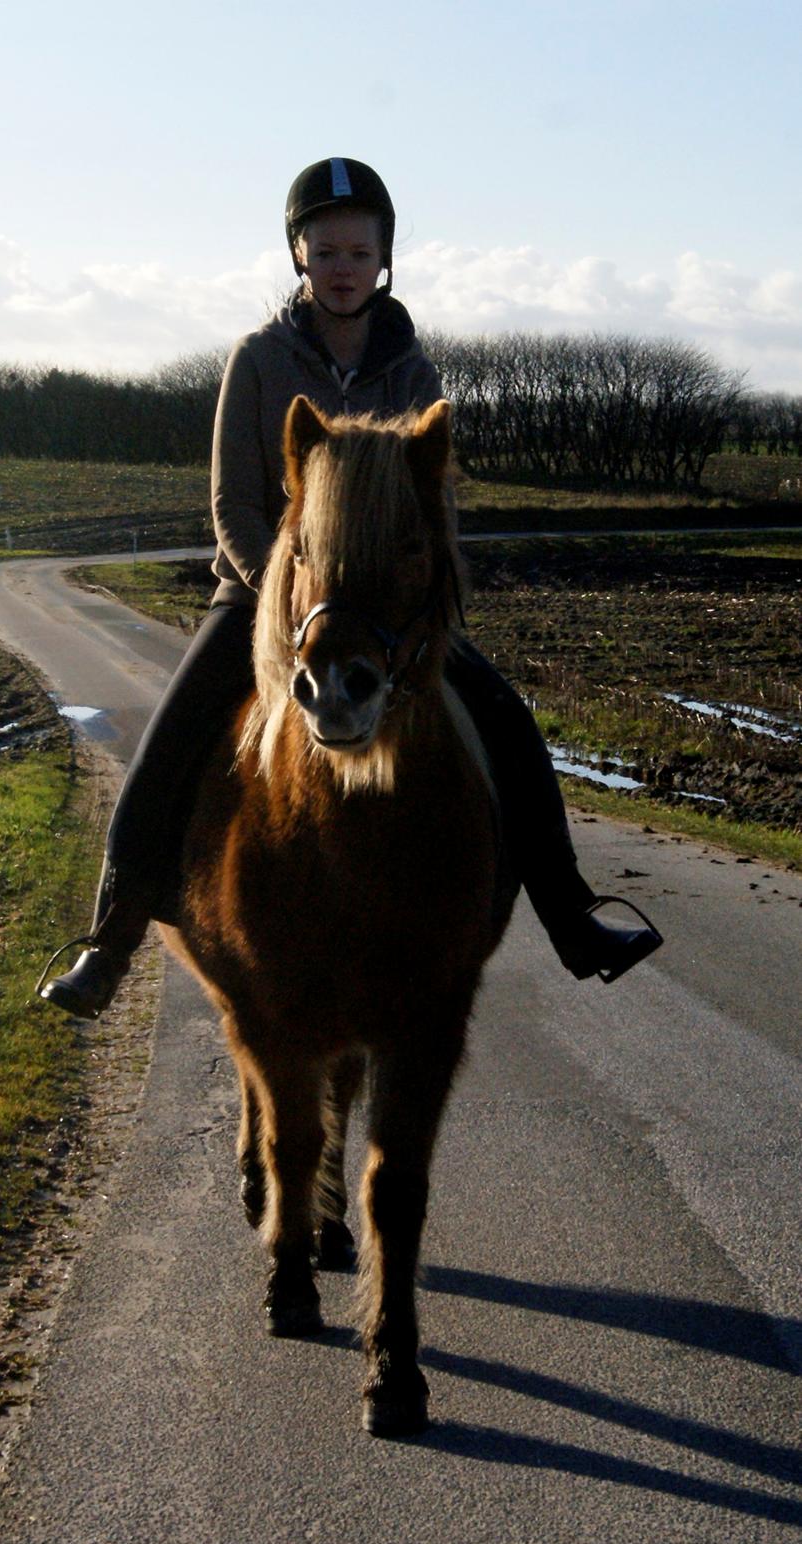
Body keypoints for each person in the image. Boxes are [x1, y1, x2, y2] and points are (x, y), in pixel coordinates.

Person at [38, 157, 662, 1019]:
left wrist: (412, 607)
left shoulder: (412, 373)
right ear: (298, 254)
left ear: (382, 259)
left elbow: (434, 510)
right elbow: (231, 505)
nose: (341, 266)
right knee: (168, 749)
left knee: (508, 724)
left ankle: (571, 915)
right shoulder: (256, 361)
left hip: (384, 616)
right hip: (261, 603)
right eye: (324, 248)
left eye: (357, 250)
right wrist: (280, 605)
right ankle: (108, 943)